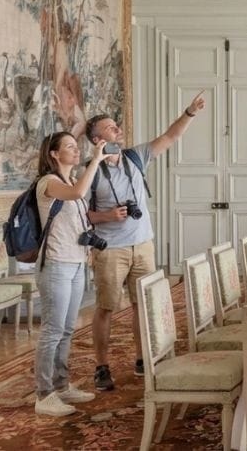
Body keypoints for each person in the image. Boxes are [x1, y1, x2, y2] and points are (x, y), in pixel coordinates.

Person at [85, 92, 205, 391]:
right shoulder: (89, 172)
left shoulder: (135, 157)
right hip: (111, 250)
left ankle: (142, 359)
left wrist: (189, 112)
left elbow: (170, 137)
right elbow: (81, 214)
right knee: (106, 308)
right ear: (97, 139)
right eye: (112, 128)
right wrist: (108, 215)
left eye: (117, 126)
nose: (119, 131)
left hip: (143, 245)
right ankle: (101, 366)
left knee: (143, 305)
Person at [34, 131, 107, 416]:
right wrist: (96, 161)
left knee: (66, 328)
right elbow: (77, 193)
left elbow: (78, 210)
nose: (76, 151)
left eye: (77, 147)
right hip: (55, 265)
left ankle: (61, 385)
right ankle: (44, 394)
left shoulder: (69, 182)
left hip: (76, 262)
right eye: (70, 147)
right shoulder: (49, 183)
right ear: (54, 154)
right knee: (52, 330)